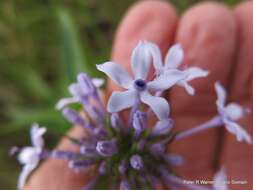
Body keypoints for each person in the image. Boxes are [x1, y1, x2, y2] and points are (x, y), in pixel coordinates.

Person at [24, 0, 253, 189]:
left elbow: (152, 116)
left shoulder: (148, 98)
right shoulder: (127, 98)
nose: (143, 81)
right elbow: (117, 110)